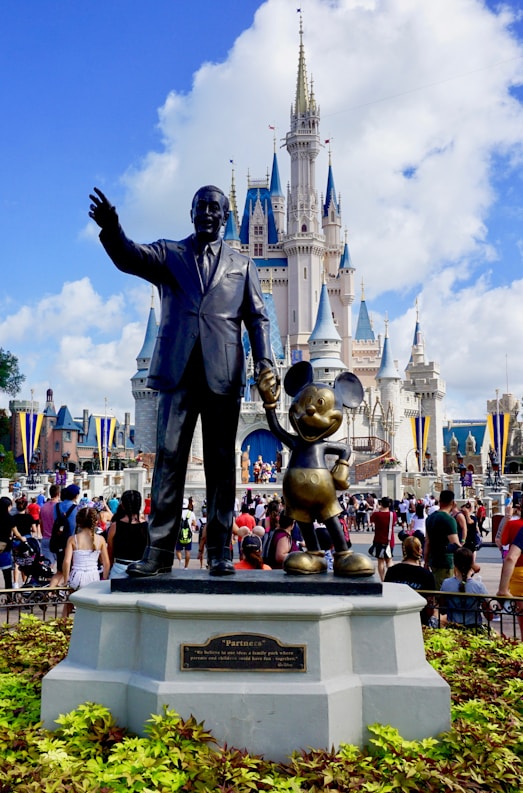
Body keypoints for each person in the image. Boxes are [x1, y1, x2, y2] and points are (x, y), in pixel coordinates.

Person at [89, 185, 278, 577]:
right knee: (170, 460)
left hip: (224, 374)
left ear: (225, 217)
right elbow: (129, 257)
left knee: (223, 464)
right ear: (191, 212)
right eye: (201, 207)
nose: (208, 213)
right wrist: (112, 229)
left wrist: (264, 362)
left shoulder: (243, 266)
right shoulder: (170, 254)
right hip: (178, 374)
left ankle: (222, 551)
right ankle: (158, 551)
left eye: (215, 208)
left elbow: (258, 319)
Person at [61, 507, 110, 616]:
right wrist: (105, 578)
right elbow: (106, 563)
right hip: (93, 576)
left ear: (78, 522)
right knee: (91, 607)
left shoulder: (73, 539)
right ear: (94, 522)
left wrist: (65, 579)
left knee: (68, 604)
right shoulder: (100, 539)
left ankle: (62, 627)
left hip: (77, 576)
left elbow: (67, 561)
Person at [384, 536, 436, 624]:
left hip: (395, 616)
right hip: (419, 618)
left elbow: (385, 595)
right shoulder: (426, 575)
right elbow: (430, 604)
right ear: (420, 550)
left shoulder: (392, 571)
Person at [440, 548, 490, 628]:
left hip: (453, 628)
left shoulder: (446, 584)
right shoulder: (479, 586)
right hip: (474, 628)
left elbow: (442, 607)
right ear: (471, 564)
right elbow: (489, 616)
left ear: (454, 563)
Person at [106, 490, 148, 579]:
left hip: (119, 568)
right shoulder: (146, 527)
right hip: (141, 570)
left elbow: (110, 552)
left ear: (123, 505)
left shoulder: (115, 526)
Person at [424, 489, 461, 590]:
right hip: (445, 561)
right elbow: (455, 545)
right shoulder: (449, 520)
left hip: (433, 560)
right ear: (453, 503)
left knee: (436, 588)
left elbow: (427, 541)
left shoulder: (430, 518)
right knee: (444, 592)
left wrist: (426, 561)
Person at [369, 497, 396, 581]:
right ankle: (390, 578)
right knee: (389, 560)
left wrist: (376, 509)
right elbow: (394, 524)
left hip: (378, 540)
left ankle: (382, 579)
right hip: (389, 540)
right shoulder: (393, 514)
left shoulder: (377, 514)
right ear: (389, 504)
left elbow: (371, 520)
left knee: (380, 561)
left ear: (381, 504)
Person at [39, 484, 61, 568]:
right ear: (58, 494)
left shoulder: (43, 507)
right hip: (57, 539)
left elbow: (41, 523)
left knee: (48, 566)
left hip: (46, 537)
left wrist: (43, 534)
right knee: (61, 568)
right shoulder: (59, 507)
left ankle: (49, 580)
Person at [176, 498, 197, 568]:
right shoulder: (191, 513)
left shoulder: (178, 512)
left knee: (178, 550)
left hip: (179, 534)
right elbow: (194, 524)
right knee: (187, 551)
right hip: (188, 534)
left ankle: (180, 560)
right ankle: (186, 567)